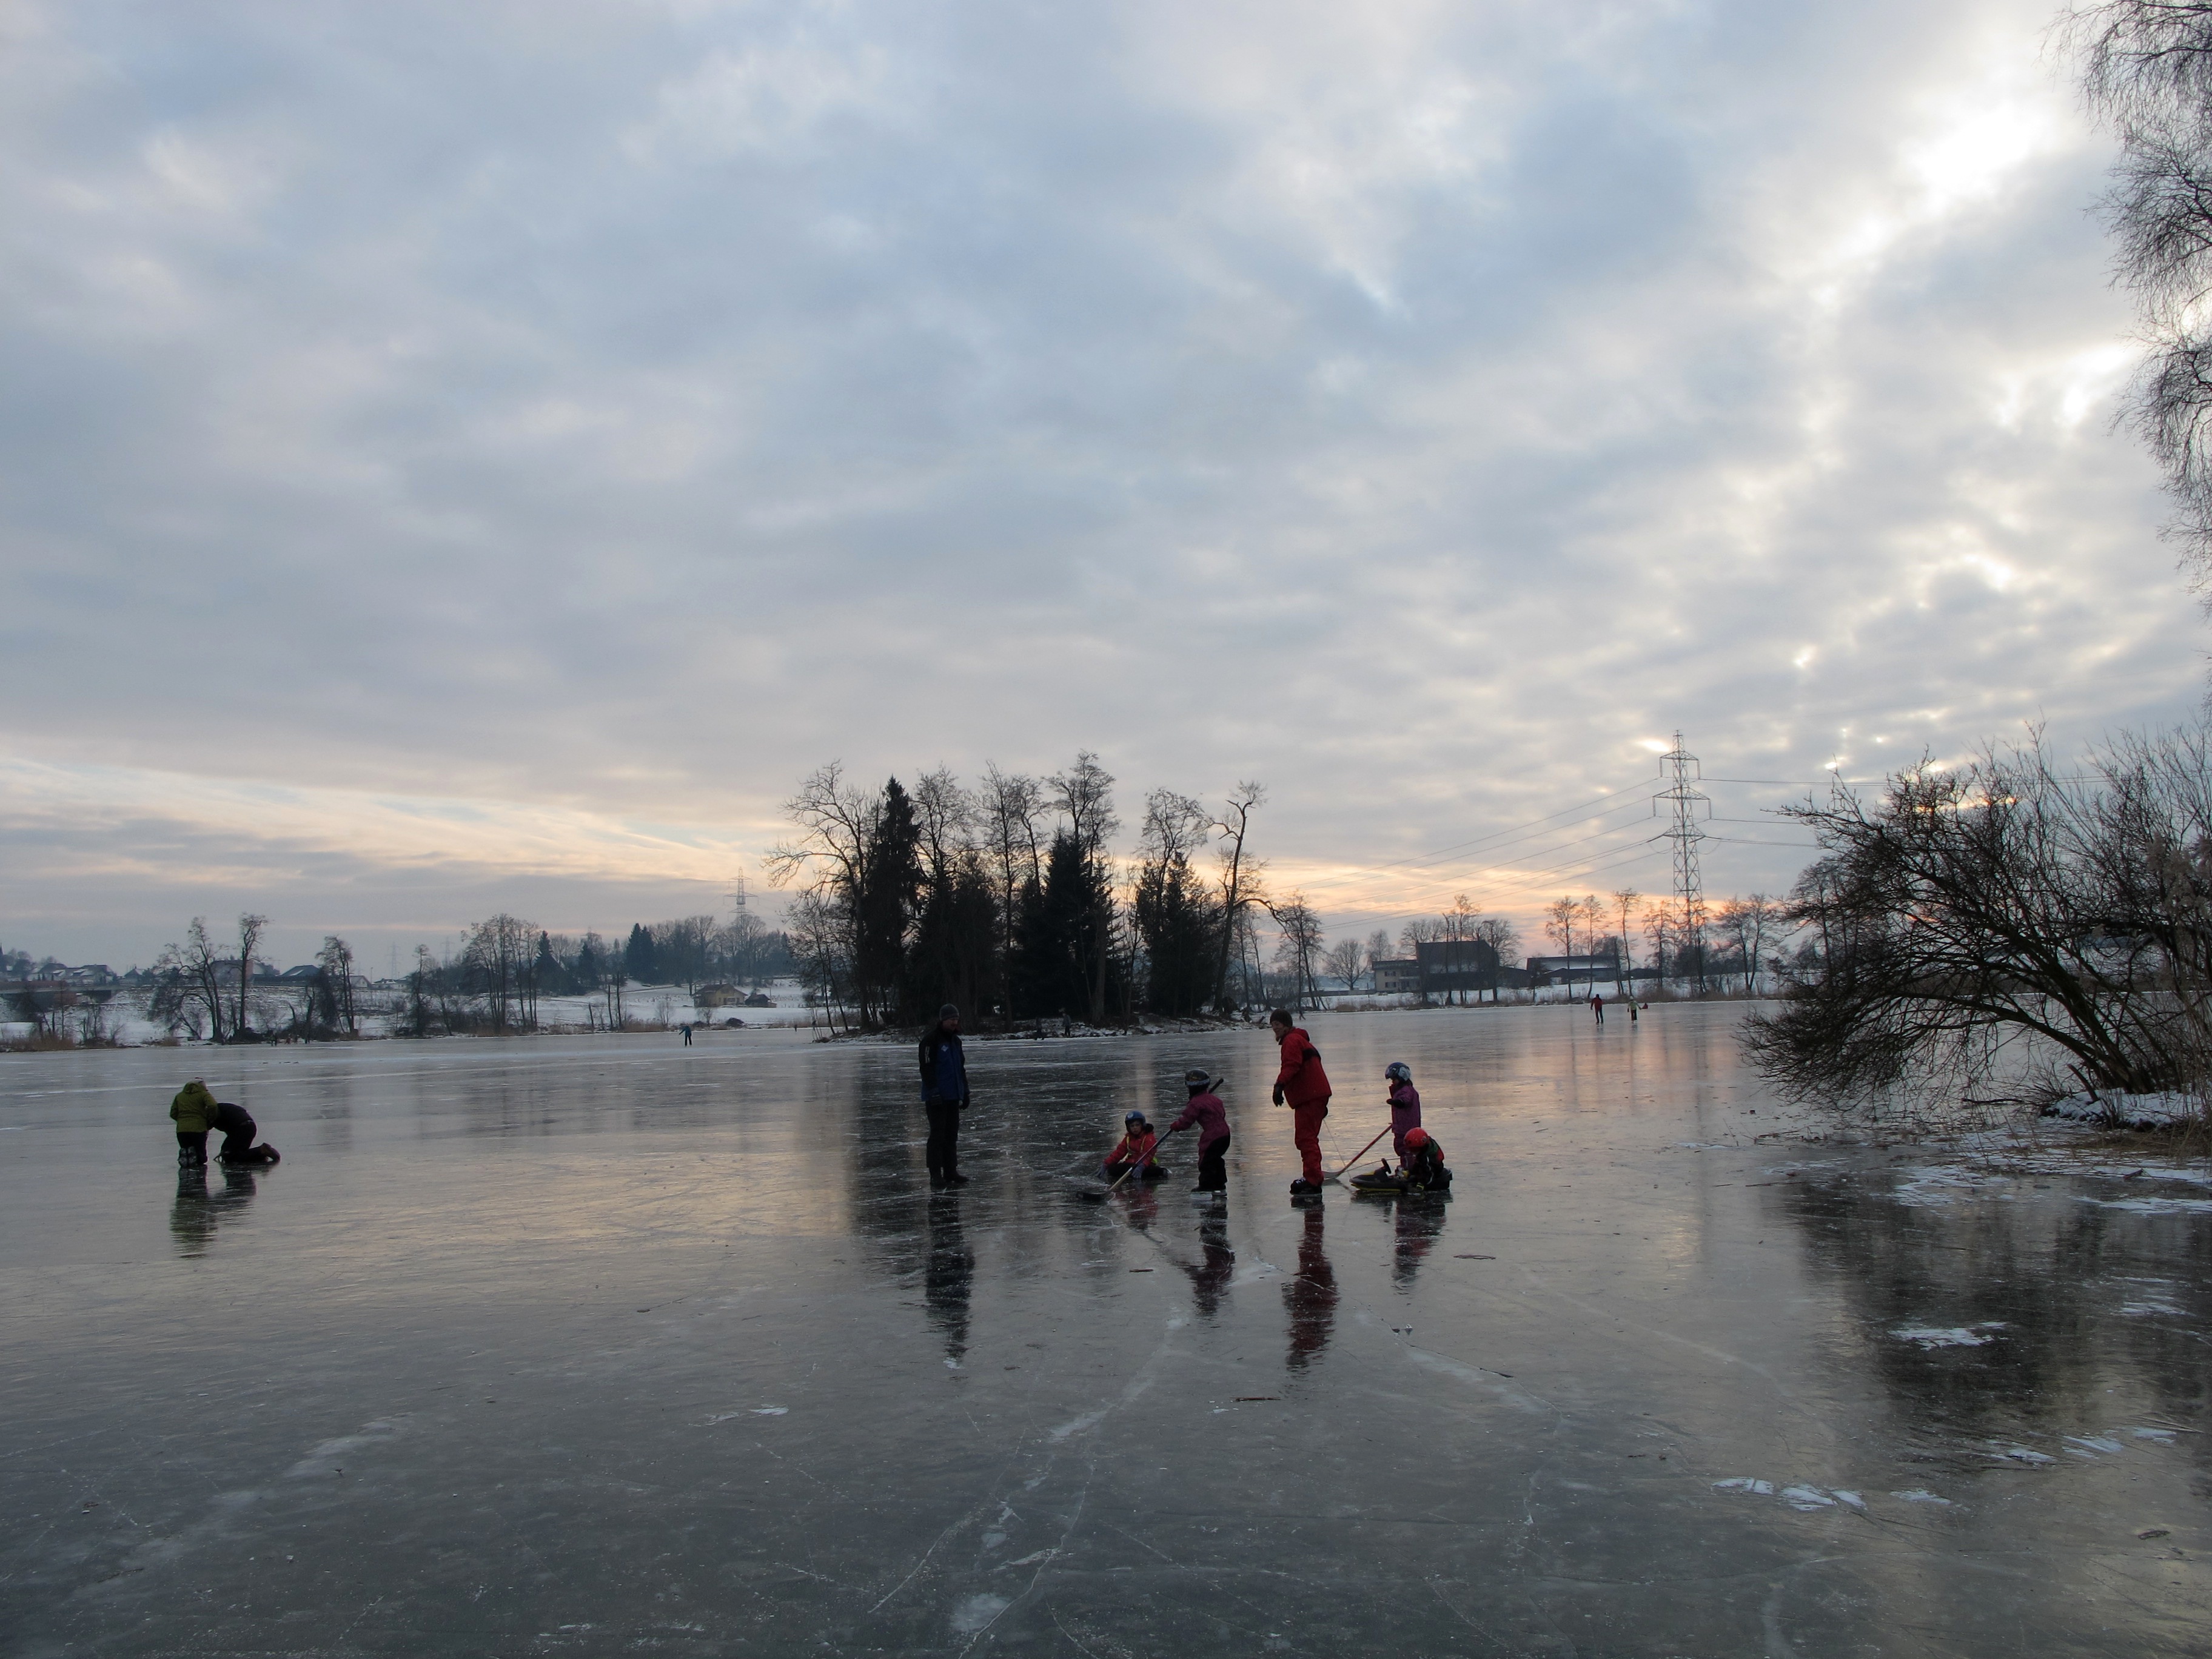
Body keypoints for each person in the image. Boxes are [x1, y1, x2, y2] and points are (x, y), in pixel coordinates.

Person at [1270, 1009, 1332, 1196]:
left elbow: (1291, 1065)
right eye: (1273, 1026)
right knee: (1308, 1137)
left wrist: (1280, 1085)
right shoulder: (1302, 1040)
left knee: (1305, 1138)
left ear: (1287, 1026)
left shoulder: (1291, 1041)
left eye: (1278, 1026)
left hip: (1310, 1097)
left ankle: (1313, 1180)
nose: (1275, 1030)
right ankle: (1313, 1176)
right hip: (1315, 1095)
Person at [919, 1004, 971, 1189]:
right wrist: (934, 1092)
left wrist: (965, 1092)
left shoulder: (956, 1042)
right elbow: (926, 1069)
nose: (954, 1023)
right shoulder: (930, 1041)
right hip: (937, 1098)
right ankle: (935, 1174)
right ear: (942, 1021)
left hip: (953, 1096)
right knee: (937, 1136)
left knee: (951, 1135)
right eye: (951, 1020)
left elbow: (960, 1069)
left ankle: (951, 1171)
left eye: (956, 1020)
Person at [1167, 1069, 1230, 1197]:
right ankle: (1220, 1183)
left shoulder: (1195, 1103)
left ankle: (1206, 1186)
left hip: (1213, 1137)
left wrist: (1175, 1126)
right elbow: (1222, 1114)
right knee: (1216, 1159)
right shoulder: (1214, 1100)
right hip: (1225, 1134)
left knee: (1206, 1161)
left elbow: (1186, 1121)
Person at [1102, 1111, 1168, 1182]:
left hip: (1146, 1165)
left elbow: (1149, 1154)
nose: (1135, 1128)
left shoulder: (1148, 1137)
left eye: (1137, 1125)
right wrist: (1107, 1163)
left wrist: (1142, 1166)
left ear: (1142, 1125)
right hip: (1131, 1164)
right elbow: (1119, 1152)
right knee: (1114, 1169)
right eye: (1132, 1126)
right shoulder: (1128, 1138)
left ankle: (1161, 1171)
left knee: (1149, 1171)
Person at [212, 1099, 279, 1166]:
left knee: (229, 1156)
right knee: (237, 1152)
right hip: (250, 1127)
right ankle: (260, 1154)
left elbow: (205, 1128)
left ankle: (261, 1151)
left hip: (241, 1129)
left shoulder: (212, 1112)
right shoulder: (223, 1107)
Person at [170, 1079, 218, 1167]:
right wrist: (211, 1119)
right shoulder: (204, 1095)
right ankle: (199, 1176)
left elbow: (173, 1113)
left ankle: (186, 1170)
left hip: (182, 1130)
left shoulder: (180, 1096)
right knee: (200, 1155)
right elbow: (213, 1106)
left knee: (187, 1152)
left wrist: (182, 1120)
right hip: (199, 1128)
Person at [1384, 1061, 1421, 1168]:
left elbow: (1405, 1101)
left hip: (1407, 1129)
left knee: (1406, 1149)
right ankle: (1407, 1168)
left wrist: (1396, 1102)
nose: (1392, 1083)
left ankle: (1410, 1170)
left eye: (1394, 1080)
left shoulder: (1406, 1090)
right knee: (1401, 1148)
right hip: (1401, 1127)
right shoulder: (1401, 1090)